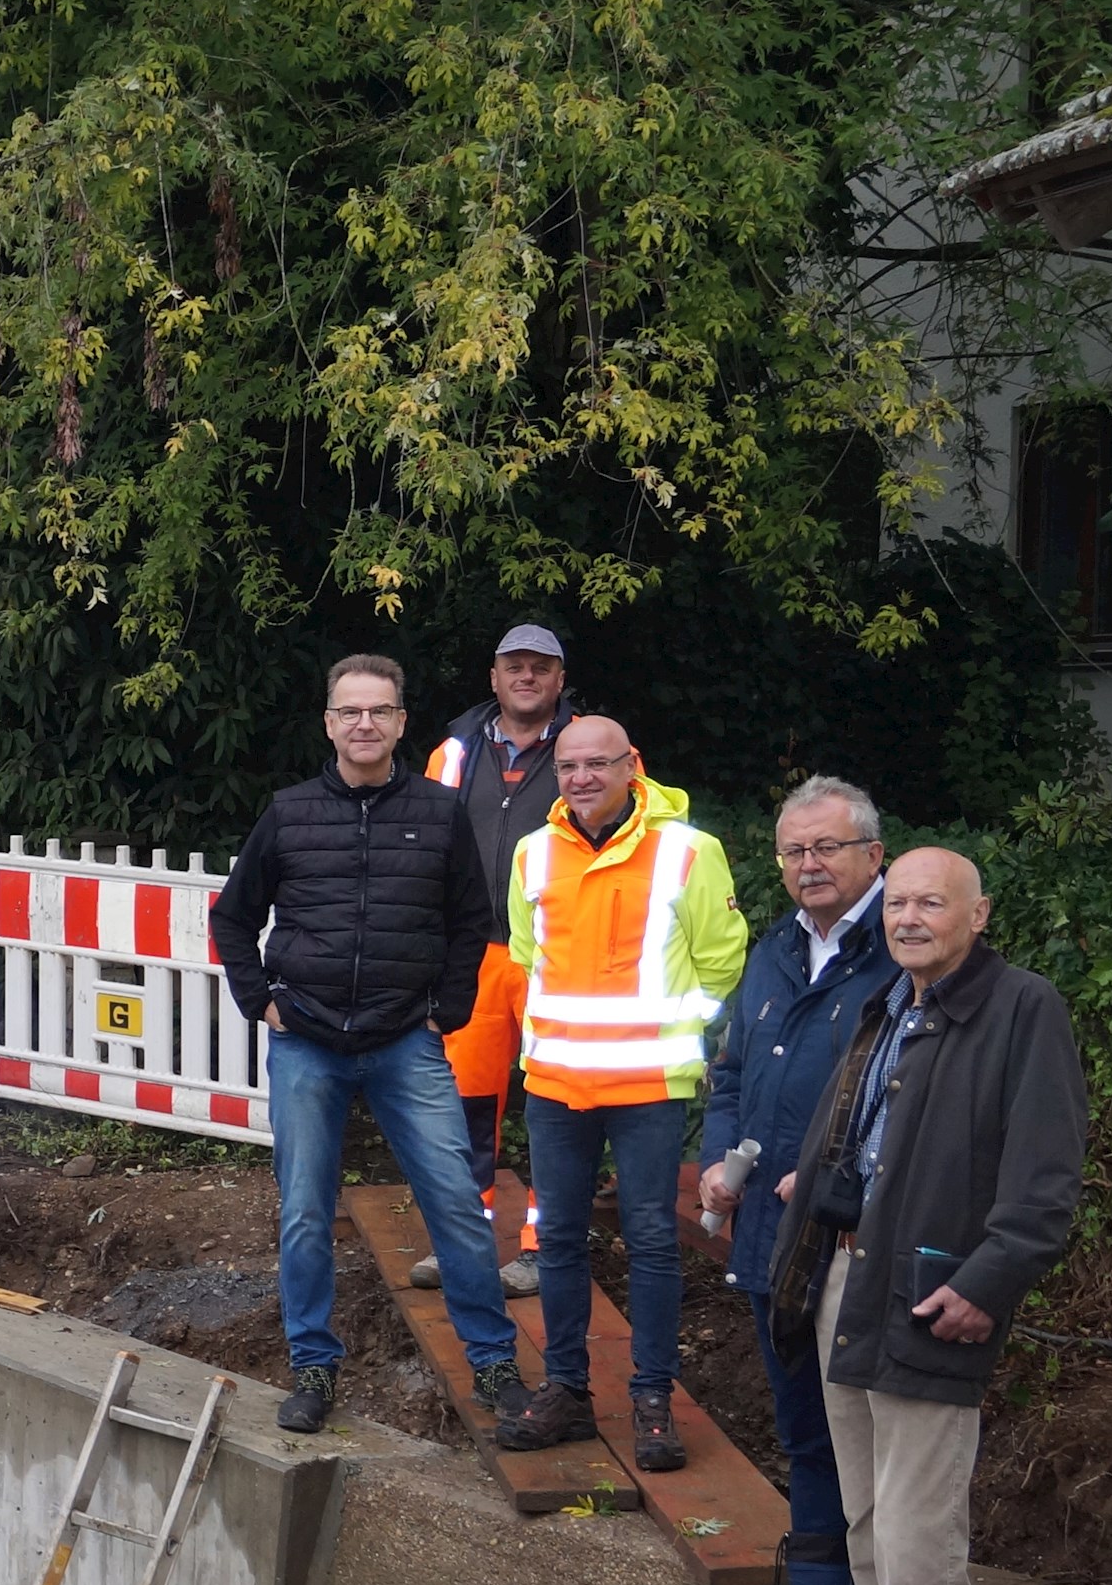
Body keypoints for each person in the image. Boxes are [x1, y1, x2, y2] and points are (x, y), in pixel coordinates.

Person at [764, 849, 1084, 1585]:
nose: (908, 918)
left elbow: (1045, 1179)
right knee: (868, 1525)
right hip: (846, 1285)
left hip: (928, 1295)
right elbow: (868, 1140)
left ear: (976, 914)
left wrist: (987, 1281)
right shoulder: (888, 1004)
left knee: (916, 1534)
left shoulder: (1021, 1010)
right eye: (896, 902)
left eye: (929, 902)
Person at [214, 654, 526, 1436]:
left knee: (455, 1201)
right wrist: (261, 1002)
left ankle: (492, 1360)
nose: (363, 723)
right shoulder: (289, 814)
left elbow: (471, 923)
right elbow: (232, 916)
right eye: (349, 711)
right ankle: (313, 1364)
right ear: (329, 723)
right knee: (304, 1212)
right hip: (308, 1042)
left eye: (378, 711)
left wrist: (446, 1011)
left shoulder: (440, 811)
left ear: (399, 722)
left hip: (403, 1041)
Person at [494, 718, 747, 1471]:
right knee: (559, 1241)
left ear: (632, 766)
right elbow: (524, 952)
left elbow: (722, 962)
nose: (579, 777)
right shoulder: (532, 852)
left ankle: (651, 1399)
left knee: (653, 1242)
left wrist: (673, 1033)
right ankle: (567, 1389)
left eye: (596, 764)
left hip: (647, 1086)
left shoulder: (688, 851)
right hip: (557, 1086)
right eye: (567, 765)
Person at [701, 779, 895, 1585]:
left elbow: (906, 1098)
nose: (808, 867)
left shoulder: (896, 954)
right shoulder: (776, 951)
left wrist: (836, 1179)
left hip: (852, 1242)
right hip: (770, 1241)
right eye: (792, 852)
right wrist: (717, 1157)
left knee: (866, 1448)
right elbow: (731, 1065)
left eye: (826, 848)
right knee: (806, 1437)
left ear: (873, 854)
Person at [416, 623, 573, 1295]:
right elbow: (417, 845)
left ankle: (544, 1247)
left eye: (541, 666)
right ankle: (461, 1238)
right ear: (494, 676)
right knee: (463, 1107)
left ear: (559, 680)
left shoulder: (591, 749)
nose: (527, 676)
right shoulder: (451, 753)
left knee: (553, 1103)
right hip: (471, 955)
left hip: (557, 954)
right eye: (515, 665)